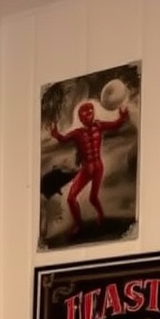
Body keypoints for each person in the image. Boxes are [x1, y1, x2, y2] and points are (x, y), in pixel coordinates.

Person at [49, 99, 128, 231]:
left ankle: (99, 217)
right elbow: (63, 139)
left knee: (91, 197)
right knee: (72, 198)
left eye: (91, 113)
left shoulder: (98, 126)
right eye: (86, 114)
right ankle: (79, 224)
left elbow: (115, 125)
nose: (89, 116)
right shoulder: (78, 133)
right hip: (89, 168)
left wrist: (122, 117)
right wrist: (56, 135)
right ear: (80, 118)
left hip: (96, 167)